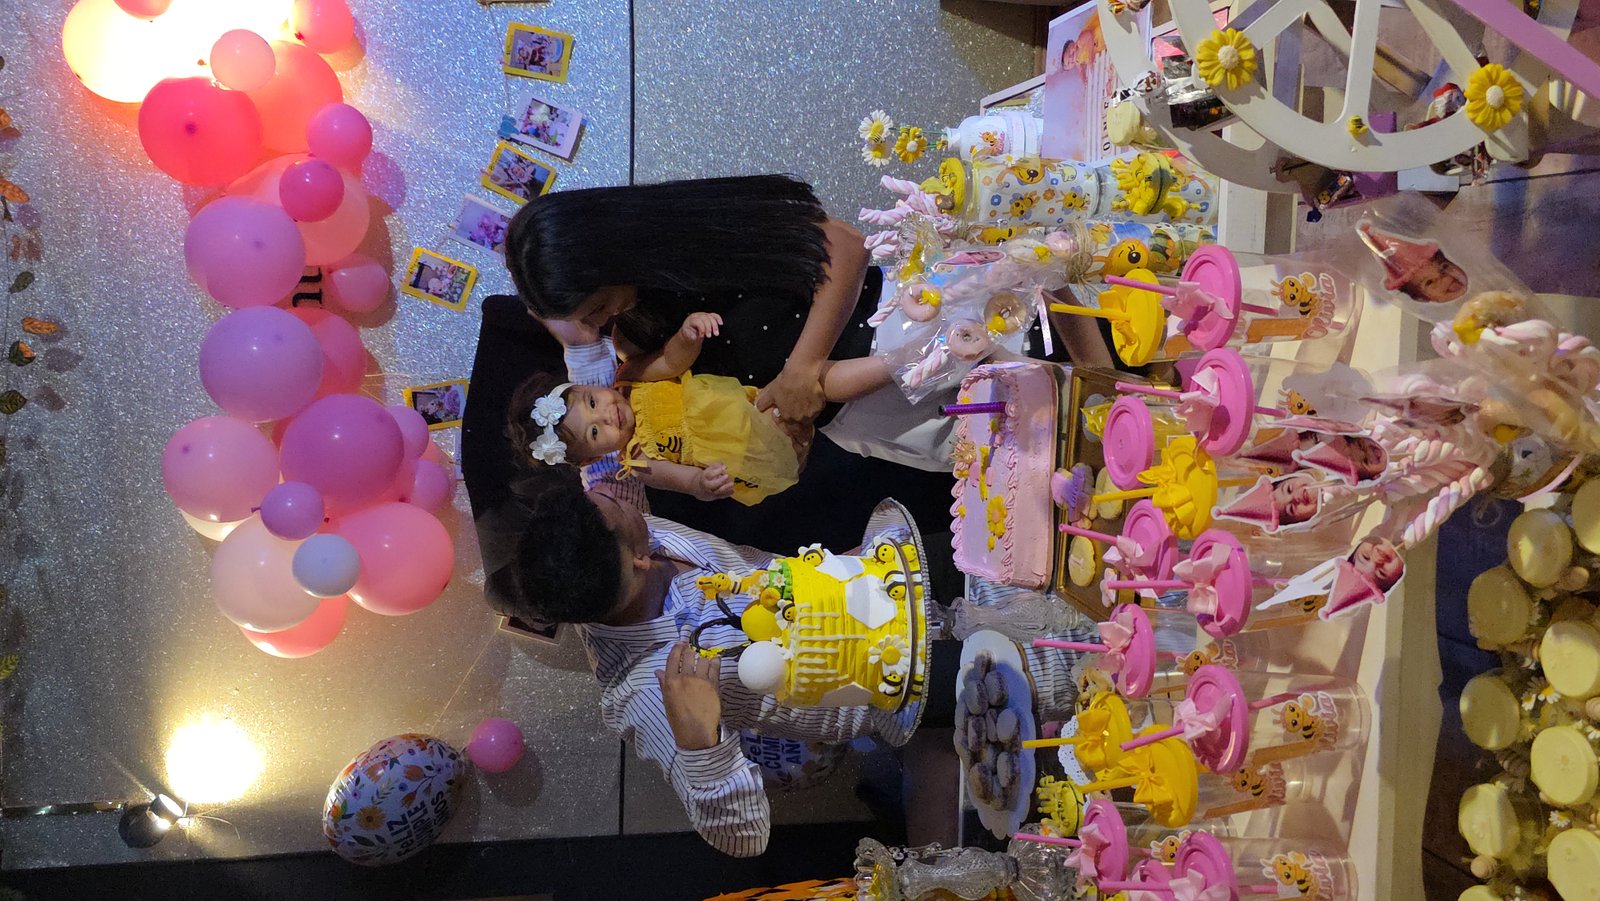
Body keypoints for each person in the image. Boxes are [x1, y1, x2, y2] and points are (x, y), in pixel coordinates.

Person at [490, 467, 1092, 857]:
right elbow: (743, 837)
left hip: (893, 572)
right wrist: (701, 746)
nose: (617, 502)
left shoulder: (623, 541)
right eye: (617, 514)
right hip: (906, 677)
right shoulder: (643, 690)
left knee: (1072, 565)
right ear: (637, 561)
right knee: (1088, 660)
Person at [503, 174, 956, 550]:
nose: (600, 322)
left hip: (892, 324)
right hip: (863, 421)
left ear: (602, 260)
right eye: (586, 319)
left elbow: (846, 246)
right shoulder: (634, 337)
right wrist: (787, 435)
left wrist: (801, 370)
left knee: (974, 354)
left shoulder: (695, 227)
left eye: (596, 307)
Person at [506, 310, 889, 505]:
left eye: (592, 401)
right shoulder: (638, 461)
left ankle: (896, 366)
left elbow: (672, 361)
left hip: (754, 406)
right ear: (593, 457)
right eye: (595, 432)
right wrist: (702, 486)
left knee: (815, 382)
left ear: (590, 385)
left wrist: (688, 333)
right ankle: (900, 368)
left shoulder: (630, 377)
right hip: (755, 453)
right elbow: (682, 480)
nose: (606, 414)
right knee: (819, 397)